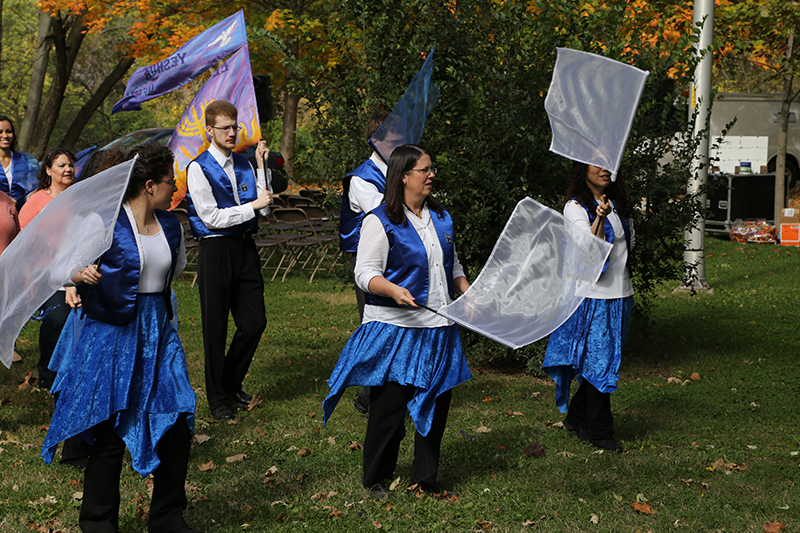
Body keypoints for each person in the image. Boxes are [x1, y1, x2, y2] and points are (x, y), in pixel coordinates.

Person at [41, 144, 201, 533]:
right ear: (150, 185)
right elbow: (60, 267)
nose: (174, 187)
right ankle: (98, 522)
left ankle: (167, 518)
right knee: (110, 430)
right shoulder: (104, 224)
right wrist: (79, 274)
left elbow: (174, 269)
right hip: (112, 337)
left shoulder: (171, 226)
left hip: (158, 334)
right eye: (170, 180)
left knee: (177, 421)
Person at [323, 144, 472, 498]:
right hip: (397, 329)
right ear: (404, 176)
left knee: (436, 404)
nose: (431, 175)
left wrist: (468, 294)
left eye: (432, 169)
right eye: (425, 169)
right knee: (389, 407)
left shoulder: (442, 217)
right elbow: (364, 273)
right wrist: (392, 290)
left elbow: (452, 266)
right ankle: (377, 478)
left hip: (439, 328)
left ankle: (425, 479)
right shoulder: (380, 220)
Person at [185, 100, 273, 420]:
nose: (232, 133)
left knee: (254, 322)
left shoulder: (245, 164)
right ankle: (217, 399)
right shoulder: (198, 168)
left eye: (235, 127)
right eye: (225, 128)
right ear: (210, 130)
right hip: (216, 250)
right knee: (215, 327)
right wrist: (252, 207)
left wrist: (261, 167)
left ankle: (230, 384)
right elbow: (211, 218)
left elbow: (264, 208)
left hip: (244, 247)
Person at [542, 162, 634, 454]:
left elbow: (627, 247)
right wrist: (600, 217)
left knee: (605, 361)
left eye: (608, 163)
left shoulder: (617, 204)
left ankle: (577, 417)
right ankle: (601, 432)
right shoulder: (575, 208)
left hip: (621, 294)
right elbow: (588, 251)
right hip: (594, 298)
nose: (605, 169)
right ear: (583, 170)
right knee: (599, 363)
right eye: (597, 164)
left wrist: (610, 213)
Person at [338, 111, 390, 415]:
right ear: (376, 141)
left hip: (398, 258)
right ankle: (368, 398)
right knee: (374, 325)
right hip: (371, 261)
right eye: (394, 139)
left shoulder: (399, 172)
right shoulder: (362, 178)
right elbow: (385, 215)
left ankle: (378, 395)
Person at [18, 149, 76, 390]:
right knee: (57, 318)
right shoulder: (37, 201)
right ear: (49, 170)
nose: (68, 169)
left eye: (70, 164)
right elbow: (23, 241)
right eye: (62, 165)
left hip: (78, 270)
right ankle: (47, 374)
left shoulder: (79, 197)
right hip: (47, 274)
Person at [0, 116, 40, 209]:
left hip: (21, 213)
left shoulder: (25, 160)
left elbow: (34, 188)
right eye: (0, 132)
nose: (5, 135)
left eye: (8, 131)